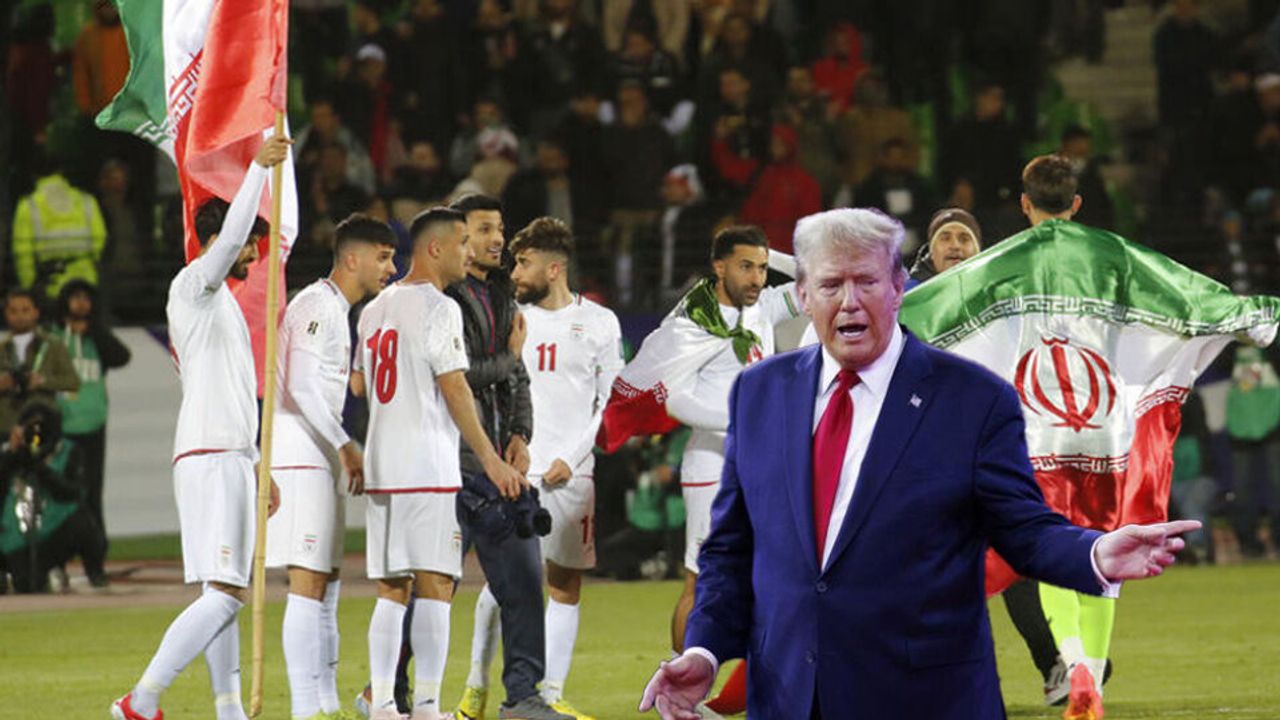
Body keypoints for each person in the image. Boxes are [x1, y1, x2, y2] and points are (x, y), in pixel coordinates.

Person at [638, 207, 1202, 719]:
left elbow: (1024, 531)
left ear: (898, 288)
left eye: (867, 282)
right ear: (804, 295)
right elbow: (731, 554)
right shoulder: (759, 394)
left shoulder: (977, 399)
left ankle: (1062, 664)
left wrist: (1095, 552)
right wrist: (704, 653)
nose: (849, 301)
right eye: (831, 284)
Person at [899, 155, 1280, 717]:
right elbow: (1182, 291)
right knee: (1105, 549)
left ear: (1024, 204)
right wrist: (1253, 313)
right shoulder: (1115, 255)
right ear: (1076, 204)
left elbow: (918, 312)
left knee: (1049, 550)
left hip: (1034, 436)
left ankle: (1073, 661)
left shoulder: (1001, 262)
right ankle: (1091, 678)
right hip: (1105, 434)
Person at [110, 135, 289, 720]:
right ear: (217, 243)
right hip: (211, 455)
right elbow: (231, 239)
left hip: (228, 454)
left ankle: (228, 709)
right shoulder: (192, 285)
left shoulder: (219, 305)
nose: (253, 257)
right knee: (227, 594)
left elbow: (235, 394)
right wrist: (257, 172)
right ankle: (141, 699)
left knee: (222, 591)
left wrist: (257, 463)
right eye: (251, 246)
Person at [597, 226, 800, 713]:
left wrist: (773, 254)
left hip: (763, 462)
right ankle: (681, 689)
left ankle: (758, 689)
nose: (756, 277)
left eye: (762, 267)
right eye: (745, 266)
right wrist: (741, 421)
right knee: (700, 581)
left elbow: (820, 276)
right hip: (712, 462)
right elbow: (674, 398)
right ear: (718, 267)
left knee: (775, 577)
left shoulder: (767, 307)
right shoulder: (690, 323)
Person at [354, 207, 525, 720]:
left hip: (383, 466)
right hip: (426, 466)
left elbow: (359, 384)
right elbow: (454, 386)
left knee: (391, 589)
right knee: (436, 586)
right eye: (462, 242)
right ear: (435, 249)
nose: (469, 251)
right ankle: (427, 707)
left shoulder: (374, 309)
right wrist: (490, 459)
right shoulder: (440, 306)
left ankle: (383, 705)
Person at [460, 217, 624, 719]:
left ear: (554, 269)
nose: (514, 272)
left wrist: (571, 459)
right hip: (517, 471)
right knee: (504, 585)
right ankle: (475, 688)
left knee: (565, 585)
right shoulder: (509, 318)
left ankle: (550, 694)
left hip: (573, 472)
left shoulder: (600, 322)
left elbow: (610, 402)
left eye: (524, 263)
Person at [446, 195, 572, 720]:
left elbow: (516, 378)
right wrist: (511, 356)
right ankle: (391, 695)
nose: (498, 238)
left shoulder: (501, 293)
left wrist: (521, 432)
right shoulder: (443, 298)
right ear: (458, 238)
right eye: (484, 229)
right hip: (451, 467)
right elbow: (459, 376)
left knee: (523, 583)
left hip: (500, 468)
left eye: (499, 227)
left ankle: (522, 696)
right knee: (430, 591)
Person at [267, 214, 397, 720]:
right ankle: (306, 709)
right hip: (301, 455)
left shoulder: (339, 311)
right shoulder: (317, 305)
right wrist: (345, 443)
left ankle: (325, 703)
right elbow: (300, 386)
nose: (390, 268)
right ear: (351, 259)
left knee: (327, 585)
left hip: (319, 456)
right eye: (382, 257)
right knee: (307, 585)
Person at [50, 279, 130, 563]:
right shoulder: (53, 338)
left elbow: (122, 356)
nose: (81, 303)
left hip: (94, 426)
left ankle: (96, 556)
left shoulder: (97, 339)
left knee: (92, 493)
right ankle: (57, 557)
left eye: (86, 298)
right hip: (60, 428)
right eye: (75, 297)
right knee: (58, 493)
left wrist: (93, 330)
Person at [0, 403, 107, 591]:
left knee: (84, 523)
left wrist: (40, 468)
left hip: (52, 531)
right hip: (16, 539)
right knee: (27, 585)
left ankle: (95, 574)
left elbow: (72, 493)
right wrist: (13, 456)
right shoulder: (9, 454)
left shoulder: (69, 452)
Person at [12, 155, 108, 304]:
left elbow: (22, 252)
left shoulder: (29, 205)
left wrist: (30, 287)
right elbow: (100, 239)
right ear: (61, 172)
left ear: (34, 176)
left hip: (51, 282)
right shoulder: (86, 200)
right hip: (86, 279)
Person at [1, 289, 80, 435]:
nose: (20, 316)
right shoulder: (2, 348)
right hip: (7, 426)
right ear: (6, 314)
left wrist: (42, 381)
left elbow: (73, 381)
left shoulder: (53, 345)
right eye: (13, 311)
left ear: (36, 312)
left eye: (25, 310)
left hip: (42, 424)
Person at [907, 208, 982, 286]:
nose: (955, 246)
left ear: (977, 251)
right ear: (931, 253)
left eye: (964, 239)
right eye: (945, 239)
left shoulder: (990, 288)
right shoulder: (910, 292)